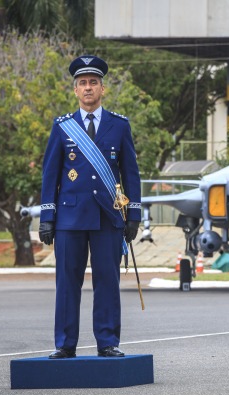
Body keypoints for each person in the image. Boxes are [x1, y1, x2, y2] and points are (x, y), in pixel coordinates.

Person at [38, 55, 141, 358]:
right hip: (69, 218)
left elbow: (131, 174)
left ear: (102, 89)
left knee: (107, 283)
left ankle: (107, 342)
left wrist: (133, 214)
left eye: (93, 83)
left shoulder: (119, 126)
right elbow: (50, 175)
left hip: (109, 218)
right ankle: (65, 345)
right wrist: (47, 216)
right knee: (67, 285)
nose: (87, 88)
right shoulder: (62, 127)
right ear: (75, 90)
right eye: (82, 83)